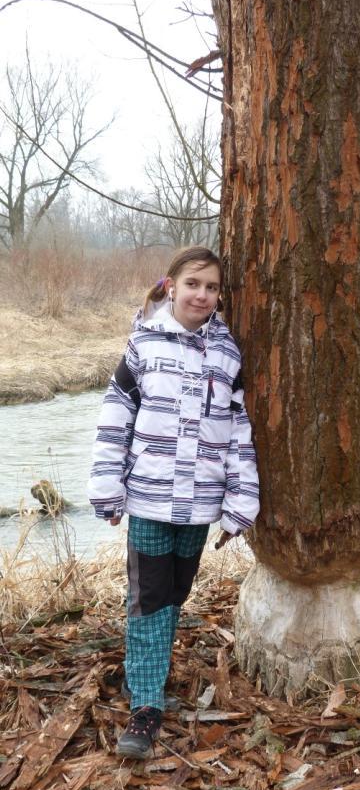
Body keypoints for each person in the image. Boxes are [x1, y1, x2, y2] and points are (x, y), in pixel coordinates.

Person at [88, 246, 260, 759]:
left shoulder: (228, 355)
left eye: (211, 288)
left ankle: (148, 666)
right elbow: (115, 418)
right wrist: (107, 486)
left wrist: (239, 499)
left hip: (200, 504)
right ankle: (145, 706)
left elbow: (238, 433)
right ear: (171, 285)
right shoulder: (143, 345)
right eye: (193, 285)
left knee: (174, 594)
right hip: (148, 497)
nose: (202, 295)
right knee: (147, 600)